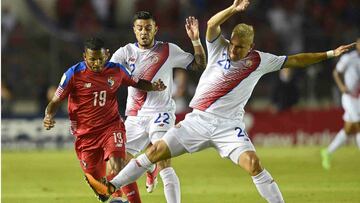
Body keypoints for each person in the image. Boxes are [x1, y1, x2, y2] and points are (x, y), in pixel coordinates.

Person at [85, 1, 355, 202]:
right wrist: (233, 8)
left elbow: (295, 60)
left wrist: (331, 53)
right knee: (156, 153)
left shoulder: (260, 61)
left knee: (254, 164)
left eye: (240, 47)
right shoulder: (217, 46)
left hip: (228, 127)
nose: (233, 49)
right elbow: (212, 26)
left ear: (251, 46)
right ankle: (110, 188)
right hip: (198, 121)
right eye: (233, 44)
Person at [43, 37, 166, 203]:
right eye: (92, 59)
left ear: (107, 55)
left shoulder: (117, 71)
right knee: (103, 192)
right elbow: (55, 102)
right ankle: (144, 168)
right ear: (84, 57)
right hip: (85, 136)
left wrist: (153, 86)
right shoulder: (73, 74)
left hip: (111, 126)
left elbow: (136, 82)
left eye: (100, 59)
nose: (96, 63)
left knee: (118, 166)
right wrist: (49, 116)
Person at [109, 11, 206, 203]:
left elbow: (198, 65)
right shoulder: (124, 52)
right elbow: (108, 77)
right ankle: (147, 168)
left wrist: (196, 41)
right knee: (116, 163)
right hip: (135, 116)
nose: (144, 32)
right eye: (140, 28)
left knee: (163, 161)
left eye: (147, 28)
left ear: (155, 29)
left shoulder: (168, 50)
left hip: (161, 113)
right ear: (134, 30)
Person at [321, 38, 360, 170]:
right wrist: (342, 86)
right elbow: (336, 72)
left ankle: (327, 152)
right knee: (359, 125)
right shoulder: (349, 58)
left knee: (349, 129)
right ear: (357, 44)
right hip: (349, 97)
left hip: (359, 98)